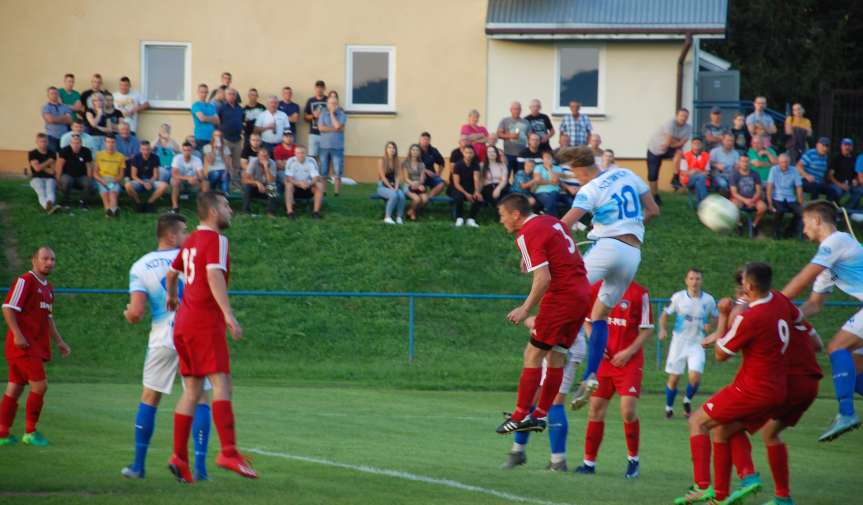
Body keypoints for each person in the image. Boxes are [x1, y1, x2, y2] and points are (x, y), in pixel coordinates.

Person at [674, 262, 799, 505]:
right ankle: (729, 490)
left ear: (750, 286)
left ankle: (702, 486)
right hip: (777, 389)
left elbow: (721, 355)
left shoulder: (751, 317)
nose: (740, 290)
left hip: (752, 389)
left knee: (697, 421)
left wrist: (722, 316)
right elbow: (796, 319)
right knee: (723, 429)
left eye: (742, 286)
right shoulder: (781, 301)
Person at [557, 146, 660, 410]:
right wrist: (628, 228)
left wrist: (536, 248)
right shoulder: (625, 173)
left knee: (563, 289)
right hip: (632, 253)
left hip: (607, 247)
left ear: (579, 169)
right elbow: (653, 210)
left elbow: (563, 225)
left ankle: (559, 347)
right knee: (599, 314)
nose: (575, 178)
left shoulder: (589, 189)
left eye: (573, 173)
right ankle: (591, 374)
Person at [707, 273, 823, 505]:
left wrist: (732, 313)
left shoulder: (759, 317)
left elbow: (730, 338)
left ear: (750, 290)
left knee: (722, 428)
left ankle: (737, 484)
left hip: (784, 383)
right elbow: (818, 345)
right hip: (810, 383)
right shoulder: (783, 307)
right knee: (770, 434)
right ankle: (782, 497)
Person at [165, 192, 257, 482]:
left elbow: (171, 272)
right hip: (205, 321)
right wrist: (228, 314)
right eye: (227, 206)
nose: (230, 210)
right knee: (222, 382)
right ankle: (228, 451)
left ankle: (179, 457)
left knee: (192, 390)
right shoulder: (216, 240)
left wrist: (171, 298)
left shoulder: (190, 240)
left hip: (184, 324)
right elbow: (214, 275)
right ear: (214, 211)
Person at [121, 214, 211, 480]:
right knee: (200, 399)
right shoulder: (193, 260)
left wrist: (130, 315)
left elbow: (136, 312)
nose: (187, 235)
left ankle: (138, 466)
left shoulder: (140, 266)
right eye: (184, 231)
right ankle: (200, 470)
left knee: (150, 397)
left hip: (162, 337)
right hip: (193, 333)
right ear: (171, 235)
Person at [495, 193, 591, 435]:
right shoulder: (551, 221)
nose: (501, 220)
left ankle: (519, 416)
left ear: (516, 215)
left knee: (533, 353)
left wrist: (525, 308)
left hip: (561, 297)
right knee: (555, 356)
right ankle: (539, 415)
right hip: (581, 295)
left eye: (502, 215)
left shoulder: (527, 233)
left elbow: (543, 278)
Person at [781, 201, 863, 442]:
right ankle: (846, 412)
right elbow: (815, 304)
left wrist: (769, 303)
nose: (804, 229)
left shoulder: (836, 241)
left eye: (805, 223)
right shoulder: (829, 259)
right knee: (856, 371)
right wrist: (788, 316)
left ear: (817, 221)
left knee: (837, 347)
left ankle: (846, 414)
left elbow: (803, 279)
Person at [574, 281, 653, 479]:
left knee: (628, 411)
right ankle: (588, 463)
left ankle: (633, 460)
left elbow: (646, 329)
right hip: (604, 362)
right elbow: (587, 321)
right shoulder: (596, 288)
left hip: (629, 362)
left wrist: (628, 352)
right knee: (595, 410)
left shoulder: (640, 292)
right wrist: (596, 345)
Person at [0, 247, 71, 447]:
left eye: (53, 259)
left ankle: (3, 433)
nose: (49, 262)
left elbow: (48, 318)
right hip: (24, 346)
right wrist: (17, 334)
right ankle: (30, 432)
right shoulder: (25, 281)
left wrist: (59, 341)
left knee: (14, 389)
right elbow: (7, 308)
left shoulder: (49, 287)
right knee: (40, 386)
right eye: (45, 258)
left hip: (34, 346)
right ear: (34, 260)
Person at [502, 331, 586, 472]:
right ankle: (517, 452)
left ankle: (558, 461)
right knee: (532, 397)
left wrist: (530, 320)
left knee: (556, 401)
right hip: (553, 341)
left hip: (564, 343)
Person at [658, 269, 717, 418]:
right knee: (674, 378)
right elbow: (664, 315)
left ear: (701, 281)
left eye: (697, 279)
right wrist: (663, 329)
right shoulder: (678, 297)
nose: (694, 282)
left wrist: (711, 327)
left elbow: (717, 316)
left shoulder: (708, 300)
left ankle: (687, 400)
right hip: (679, 343)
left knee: (695, 377)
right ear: (686, 280)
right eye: (691, 278)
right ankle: (669, 407)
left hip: (697, 343)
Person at [646, 108, 692, 204]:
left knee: (679, 152)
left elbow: (681, 144)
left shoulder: (688, 128)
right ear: (677, 116)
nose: (683, 118)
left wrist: (673, 142)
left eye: (686, 116)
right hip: (655, 149)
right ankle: (655, 196)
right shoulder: (670, 123)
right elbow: (668, 142)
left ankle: (675, 177)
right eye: (681, 116)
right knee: (653, 175)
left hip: (668, 148)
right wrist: (675, 142)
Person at [767, 154, 805, 239]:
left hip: (790, 198)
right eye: (782, 162)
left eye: (786, 162)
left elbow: (799, 187)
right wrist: (769, 203)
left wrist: (800, 202)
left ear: (789, 162)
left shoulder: (794, 170)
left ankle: (789, 231)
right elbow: (769, 186)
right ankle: (775, 233)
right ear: (778, 162)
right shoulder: (774, 170)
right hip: (777, 197)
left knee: (801, 212)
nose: (784, 164)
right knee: (780, 211)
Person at [125, 141, 168, 212]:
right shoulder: (136, 158)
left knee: (164, 185)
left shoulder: (155, 157)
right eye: (143, 149)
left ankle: (149, 203)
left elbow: (156, 175)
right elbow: (134, 176)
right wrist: (144, 183)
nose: (146, 151)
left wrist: (149, 182)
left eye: (148, 149)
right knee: (127, 185)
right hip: (139, 181)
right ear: (140, 150)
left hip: (151, 181)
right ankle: (138, 204)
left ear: (150, 149)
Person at [318, 95, 347, 196]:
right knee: (323, 171)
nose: (333, 105)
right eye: (331, 103)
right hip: (324, 147)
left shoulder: (342, 114)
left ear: (337, 104)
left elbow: (338, 125)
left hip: (337, 147)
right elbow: (321, 128)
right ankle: (323, 191)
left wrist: (331, 114)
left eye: (335, 103)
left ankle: (336, 193)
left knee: (337, 171)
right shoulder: (322, 114)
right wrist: (334, 129)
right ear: (327, 104)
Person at [284, 146, 324, 219]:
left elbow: (316, 177)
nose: (300, 155)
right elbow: (289, 178)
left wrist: (309, 184)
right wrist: (299, 183)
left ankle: (316, 212)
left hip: (308, 186)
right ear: (295, 153)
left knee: (319, 185)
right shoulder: (291, 161)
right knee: (288, 185)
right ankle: (290, 212)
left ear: (306, 154)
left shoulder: (311, 161)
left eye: (302, 153)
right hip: (295, 186)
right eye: (298, 153)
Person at [730, 155, 767, 232]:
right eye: (743, 161)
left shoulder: (755, 174)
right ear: (739, 162)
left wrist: (752, 200)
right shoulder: (734, 175)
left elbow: (758, 191)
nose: (745, 164)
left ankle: (754, 225)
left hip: (754, 198)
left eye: (746, 161)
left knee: (763, 207)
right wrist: (746, 201)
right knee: (733, 206)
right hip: (739, 198)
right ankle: (739, 224)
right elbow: (734, 193)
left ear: (749, 162)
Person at [56, 133, 94, 209]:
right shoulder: (64, 151)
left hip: (81, 176)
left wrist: (90, 178)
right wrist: (58, 179)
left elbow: (89, 166)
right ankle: (66, 202)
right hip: (67, 175)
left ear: (81, 143)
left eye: (78, 143)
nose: (75, 145)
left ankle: (83, 203)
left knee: (88, 183)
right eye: (73, 143)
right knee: (66, 181)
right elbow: (59, 166)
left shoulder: (86, 151)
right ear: (70, 143)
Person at [449, 145, 482, 227]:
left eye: (470, 153)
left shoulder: (475, 165)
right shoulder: (458, 165)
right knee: (459, 197)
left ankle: (471, 219)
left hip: (470, 187)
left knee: (479, 197)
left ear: (473, 154)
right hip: (457, 187)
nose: (469, 155)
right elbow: (456, 183)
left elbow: (476, 179)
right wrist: (466, 194)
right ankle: (459, 218)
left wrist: (476, 191)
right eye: (467, 152)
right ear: (463, 153)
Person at [27, 134, 59, 214]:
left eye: (45, 141)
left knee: (50, 191)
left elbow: (52, 171)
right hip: (36, 178)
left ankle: (49, 206)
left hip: (50, 178)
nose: (43, 143)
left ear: (48, 142)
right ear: (36, 142)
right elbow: (36, 169)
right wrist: (48, 162)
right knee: (41, 192)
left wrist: (39, 165)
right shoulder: (32, 153)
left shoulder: (52, 153)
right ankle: (48, 207)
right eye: (41, 141)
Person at [218, 88, 245, 183]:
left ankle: (235, 183)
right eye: (229, 94)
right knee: (226, 163)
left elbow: (242, 121)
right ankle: (226, 184)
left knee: (237, 164)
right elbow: (217, 122)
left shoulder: (240, 108)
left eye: (233, 94)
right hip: (225, 140)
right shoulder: (221, 108)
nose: (232, 96)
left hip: (238, 140)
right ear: (225, 96)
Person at [95, 135, 125, 217]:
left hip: (114, 180)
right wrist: (102, 181)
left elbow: (121, 174)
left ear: (116, 143)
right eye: (108, 142)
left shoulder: (120, 156)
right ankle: (111, 211)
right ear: (105, 143)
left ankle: (111, 211)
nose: (110, 144)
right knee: (105, 194)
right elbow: (95, 173)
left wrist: (113, 181)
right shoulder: (99, 155)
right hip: (102, 179)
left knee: (112, 193)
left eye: (112, 142)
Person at [241, 150, 277, 216]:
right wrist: (257, 183)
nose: (264, 158)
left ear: (269, 156)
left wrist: (266, 167)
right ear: (258, 156)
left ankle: (271, 212)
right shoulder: (253, 162)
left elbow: (272, 181)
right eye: (261, 156)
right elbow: (244, 179)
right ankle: (246, 211)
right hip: (255, 186)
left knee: (272, 187)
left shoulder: (272, 163)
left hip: (266, 186)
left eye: (266, 156)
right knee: (247, 187)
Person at [170, 142, 204, 214]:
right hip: (180, 182)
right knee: (175, 181)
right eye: (184, 150)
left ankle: (203, 207)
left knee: (205, 183)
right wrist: (188, 178)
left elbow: (201, 175)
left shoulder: (197, 160)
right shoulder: (177, 158)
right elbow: (174, 174)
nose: (186, 152)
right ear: (182, 150)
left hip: (193, 182)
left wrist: (196, 178)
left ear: (192, 151)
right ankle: (175, 207)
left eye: (188, 150)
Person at [829, 138, 863, 208]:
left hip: (850, 185)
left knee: (859, 191)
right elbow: (830, 176)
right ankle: (834, 209)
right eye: (845, 145)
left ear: (852, 147)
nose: (847, 147)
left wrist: (856, 180)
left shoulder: (854, 159)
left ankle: (848, 210)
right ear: (841, 146)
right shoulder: (836, 158)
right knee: (838, 191)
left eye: (849, 145)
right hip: (837, 184)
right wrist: (840, 185)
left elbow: (857, 174)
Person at [377, 141, 406, 225]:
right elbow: (382, 176)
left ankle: (399, 217)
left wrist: (396, 187)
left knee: (401, 196)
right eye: (389, 147)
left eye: (393, 148)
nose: (391, 149)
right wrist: (390, 187)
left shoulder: (398, 161)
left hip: (394, 185)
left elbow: (397, 176)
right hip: (382, 185)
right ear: (386, 149)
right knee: (393, 195)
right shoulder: (381, 161)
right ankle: (387, 217)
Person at [497, 102, 530, 173]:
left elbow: (530, 137)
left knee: (519, 176)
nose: (517, 111)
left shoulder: (526, 122)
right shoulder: (505, 120)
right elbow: (498, 134)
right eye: (515, 109)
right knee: (506, 174)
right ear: (511, 110)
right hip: (508, 154)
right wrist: (510, 136)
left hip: (521, 154)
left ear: (521, 110)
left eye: (518, 109)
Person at [678, 137, 711, 206]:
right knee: (701, 178)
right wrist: (696, 172)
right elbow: (683, 172)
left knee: (699, 180)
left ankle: (700, 205)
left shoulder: (706, 155)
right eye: (695, 143)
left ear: (702, 145)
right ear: (691, 145)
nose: (697, 145)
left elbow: (707, 172)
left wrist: (696, 171)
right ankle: (705, 202)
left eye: (699, 143)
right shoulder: (685, 155)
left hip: (702, 179)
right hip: (689, 179)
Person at [41, 87, 72, 153]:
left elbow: (69, 120)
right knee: (52, 158)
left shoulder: (65, 106)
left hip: (65, 137)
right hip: (51, 137)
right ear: (48, 95)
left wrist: (55, 119)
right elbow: (50, 120)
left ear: (58, 95)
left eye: (55, 93)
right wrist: (64, 117)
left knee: (65, 158)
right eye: (51, 93)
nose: (54, 95)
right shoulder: (46, 107)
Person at [533, 150, 564, 216]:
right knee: (550, 200)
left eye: (549, 157)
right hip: (541, 191)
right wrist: (551, 182)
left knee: (552, 196)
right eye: (545, 157)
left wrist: (549, 168)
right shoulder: (538, 167)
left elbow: (555, 181)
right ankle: (554, 218)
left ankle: (546, 214)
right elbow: (538, 181)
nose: (547, 159)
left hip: (555, 191)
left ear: (552, 159)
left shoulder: (558, 168)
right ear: (542, 159)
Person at [401, 144, 426, 222]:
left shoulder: (421, 164)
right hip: (408, 185)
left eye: (417, 150)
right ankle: (412, 213)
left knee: (425, 199)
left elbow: (422, 179)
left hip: (419, 185)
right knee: (417, 199)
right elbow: (405, 178)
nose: (415, 152)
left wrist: (419, 184)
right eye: (413, 150)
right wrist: (413, 184)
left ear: (419, 152)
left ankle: (410, 211)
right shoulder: (405, 163)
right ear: (410, 151)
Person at [304, 80, 328, 159]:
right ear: (315, 88)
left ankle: (323, 172)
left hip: (326, 134)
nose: (319, 90)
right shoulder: (310, 100)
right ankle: (313, 172)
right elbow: (305, 117)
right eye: (318, 88)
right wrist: (313, 116)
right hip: (313, 134)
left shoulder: (328, 100)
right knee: (312, 158)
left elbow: (334, 115)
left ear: (324, 89)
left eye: (321, 88)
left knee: (324, 158)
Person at [480, 145, 509, 210]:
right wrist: (478, 192)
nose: (491, 153)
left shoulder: (502, 165)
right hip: (488, 187)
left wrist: (498, 189)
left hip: (501, 186)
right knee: (496, 201)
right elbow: (481, 181)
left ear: (496, 153)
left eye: (493, 152)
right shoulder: (482, 165)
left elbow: (504, 179)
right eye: (489, 152)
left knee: (507, 199)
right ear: (486, 153)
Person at [418, 132, 446, 198]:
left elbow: (442, 162)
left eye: (427, 139)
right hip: (418, 176)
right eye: (423, 139)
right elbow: (412, 164)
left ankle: (428, 197)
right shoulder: (415, 149)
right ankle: (422, 200)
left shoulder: (433, 150)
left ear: (430, 141)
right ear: (420, 140)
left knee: (441, 184)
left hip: (431, 176)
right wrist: (425, 170)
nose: (425, 141)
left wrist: (438, 173)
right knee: (421, 191)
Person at [191, 84, 219, 148]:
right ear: (198, 92)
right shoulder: (196, 105)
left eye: (206, 92)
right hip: (201, 138)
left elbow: (217, 121)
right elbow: (202, 119)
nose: (204, 94)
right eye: (202, 92)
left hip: (211, 138)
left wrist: (206, 118)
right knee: (202, 157)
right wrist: (212, 119)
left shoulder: (211, 106)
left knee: (209, 157)